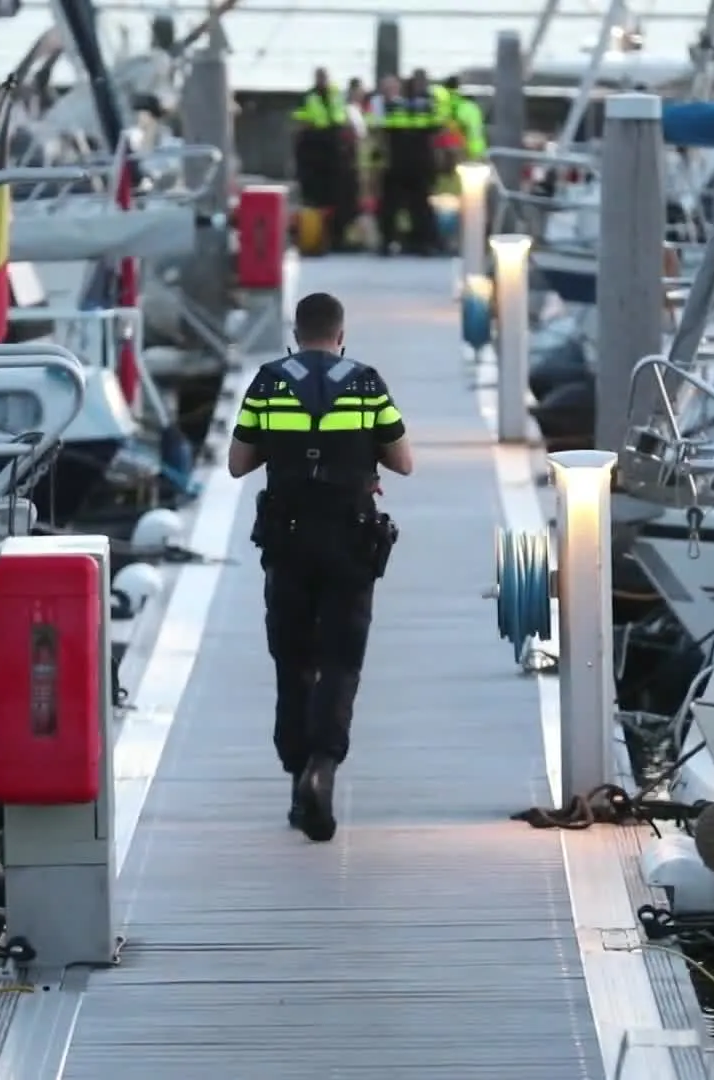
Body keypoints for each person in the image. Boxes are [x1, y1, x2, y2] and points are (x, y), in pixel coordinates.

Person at [228, 292, 414, 842]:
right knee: (340, 661)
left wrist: (282, 447)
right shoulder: (366, 381)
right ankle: (323, 768)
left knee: (293, 660)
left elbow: (239, 464)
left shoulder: (266, 381)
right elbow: (402, 461)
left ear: (296, 331)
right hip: (350, 542)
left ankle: (295, 777)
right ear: (340, 334)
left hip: (286, 542)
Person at [376, 73, 438, 255]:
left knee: (393, 206)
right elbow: (435, 133)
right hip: (418, 163)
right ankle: (423, 243)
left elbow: (382, 132)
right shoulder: (428, 106)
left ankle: (388, 242)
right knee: (419, 206)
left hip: (398, 162)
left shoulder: (392, 106)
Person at [291, 68, 351, 243]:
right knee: (314, 197)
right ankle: (315, 236)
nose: (322, 80)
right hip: (314, 146)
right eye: (319, 77)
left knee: (337, 195)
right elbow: (300, 122)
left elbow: (344, 118)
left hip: (334, 147)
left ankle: (337, 235)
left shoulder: (337, 94)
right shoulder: (308, 97)